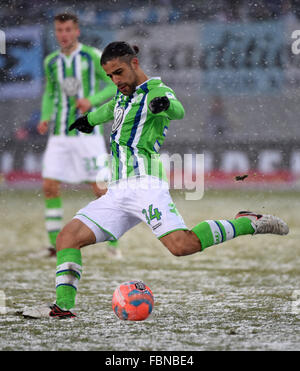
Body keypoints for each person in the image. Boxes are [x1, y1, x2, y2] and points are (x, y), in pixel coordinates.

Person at [23, 41, 289, 319]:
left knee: (181, 246)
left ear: (134, 64)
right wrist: (88, 119)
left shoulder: (156, 91)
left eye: (119, 72)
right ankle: (63, 308)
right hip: (117, 192)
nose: (115, 80)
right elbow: (110, 108)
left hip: (145, 185)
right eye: (110, 76)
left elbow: (178, 110)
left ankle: (248, 222)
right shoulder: (122, 95)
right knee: (67, 238)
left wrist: (164, 105)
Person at [37, 13, 119, 256]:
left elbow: (111, 85)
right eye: (59, 30)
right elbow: (50, 93)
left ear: (77, 31)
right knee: (50, 186)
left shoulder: (92, 56)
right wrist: (45, 115)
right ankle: (55, 246)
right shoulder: (51, 62)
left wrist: (90, 101)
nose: (63, 35)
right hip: (59, 135)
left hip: (87, 134)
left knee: (100, 190)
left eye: (68, 30)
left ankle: (113, 245)